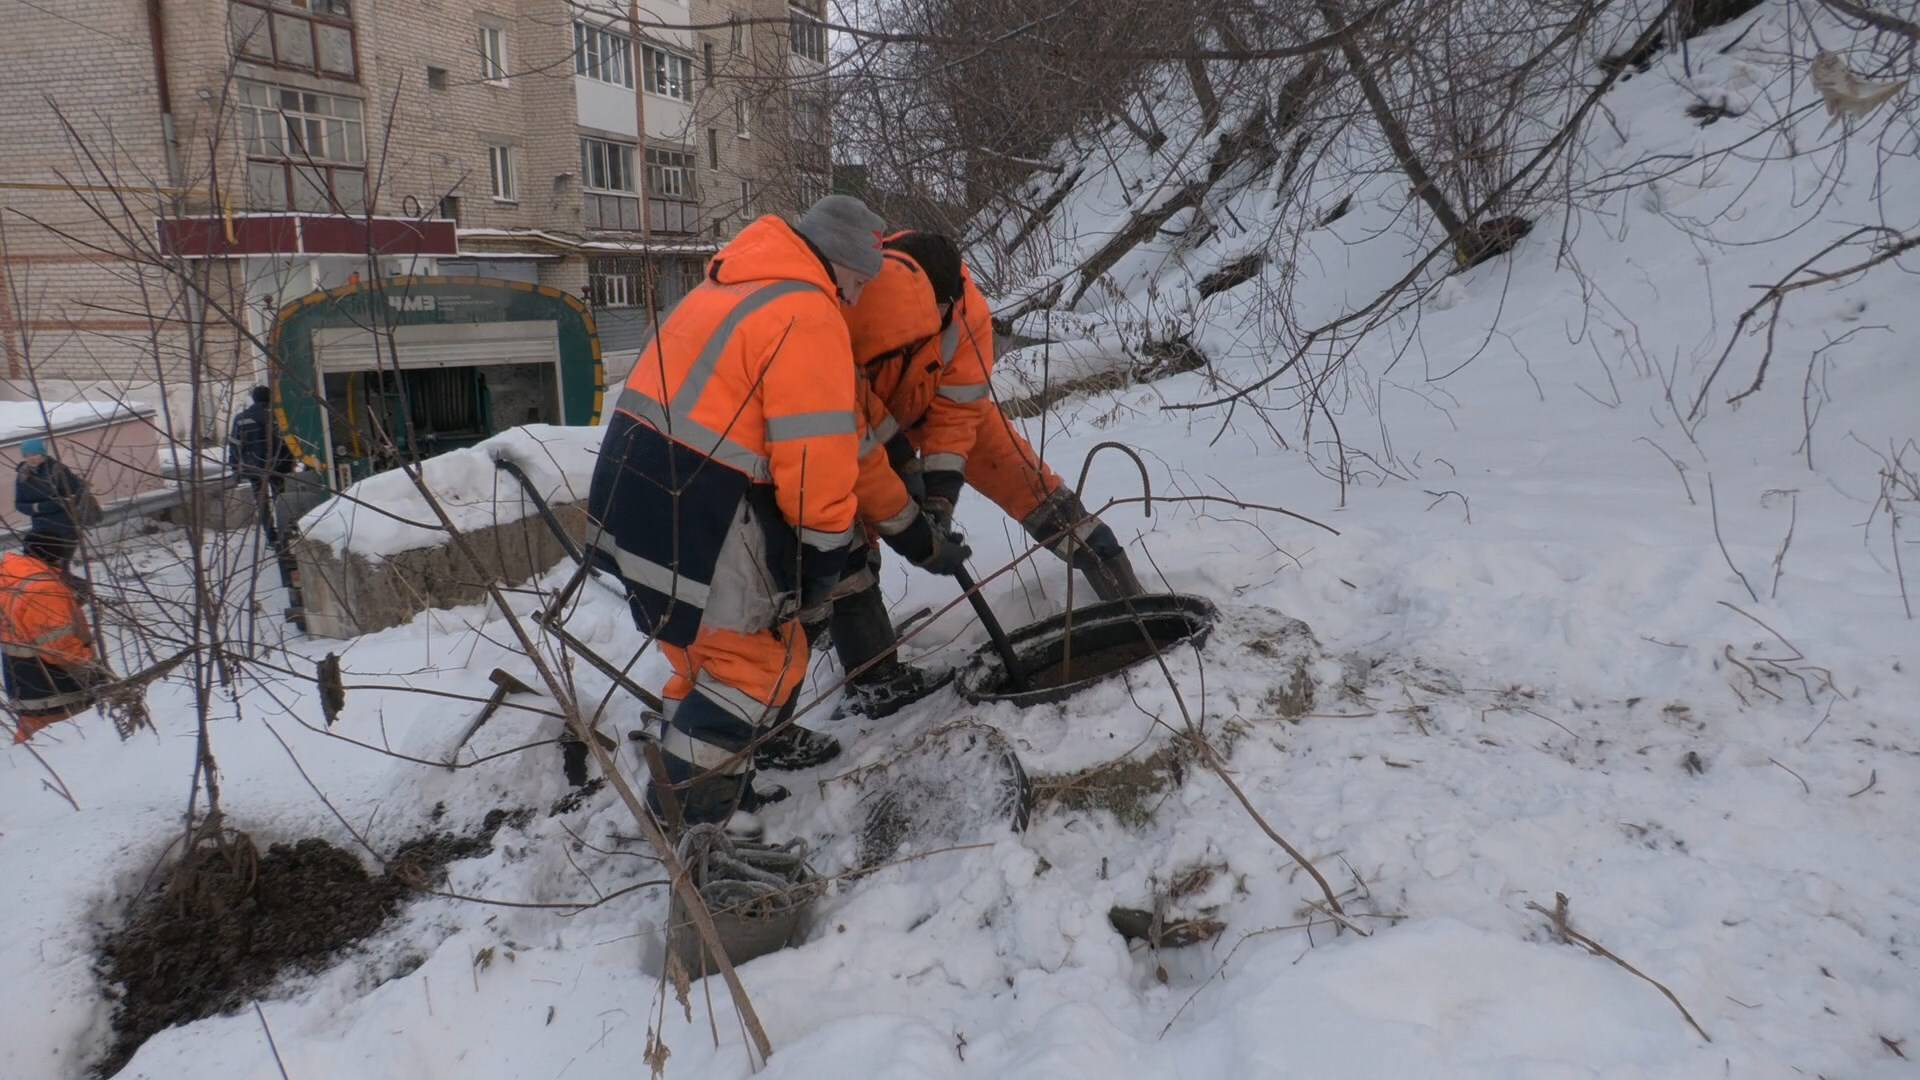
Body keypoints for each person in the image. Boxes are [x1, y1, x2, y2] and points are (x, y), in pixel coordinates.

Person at [586, 195, 969, 830]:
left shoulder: (732, 287)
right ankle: (692, 836)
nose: (852, 300)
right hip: (701, 507)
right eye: (854, 284)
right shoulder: (807, 312)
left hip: (636, 504)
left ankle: (716, 794)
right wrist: (824, 559)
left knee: (708, 663)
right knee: (754, 666)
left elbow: (850, 444)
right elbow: (818, 467)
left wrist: (906, 528)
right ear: (839, 264)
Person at [832, 231, 1146, 717]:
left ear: (949, 298)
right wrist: (904, 497)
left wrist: (937, 499)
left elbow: (959, 411)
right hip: (855, 428)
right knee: (850, 528)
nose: (926, 323)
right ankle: (874, 676)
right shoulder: (853, 296)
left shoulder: (968, 312)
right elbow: (841, 411)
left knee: (1023, 478)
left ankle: (1121, 585)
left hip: (938, 410)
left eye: (934, 312)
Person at [2, 531, 102, 742]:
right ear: (58, 557)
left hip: (21, 680)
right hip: (53, 685)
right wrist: (91, 673)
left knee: (33, 744)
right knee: (72, 743)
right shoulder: (44, 590)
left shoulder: (10, 576)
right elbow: (59, 646)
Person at [228, 385, 291, 543]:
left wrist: (235, 468)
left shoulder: (241, 419)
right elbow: (288, 442)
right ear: (270, 399)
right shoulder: (278, 417)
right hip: (278, 466)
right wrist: (289, 463)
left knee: (262, 502)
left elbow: (235, 445)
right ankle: (286, 534)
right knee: (281, 499)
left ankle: (271, 536)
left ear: (254, 399)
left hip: (253, 468)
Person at [13, 437, 89, 559]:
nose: (31, 458)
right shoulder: (23, 476)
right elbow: (19, 504)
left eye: (35, 454)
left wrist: (43, 506)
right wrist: (38, 507)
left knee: (60, 564)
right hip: (40, 528)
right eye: (27, 455)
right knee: (34, 561)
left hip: (65, 525)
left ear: (42, 453)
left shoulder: (57, 470)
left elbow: (70, 496)